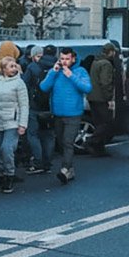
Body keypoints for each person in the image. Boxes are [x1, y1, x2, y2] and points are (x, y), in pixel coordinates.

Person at [40, 47, 92, 185]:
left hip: (73, 113)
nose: (64, 62)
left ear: (73, 59)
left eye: (67, 59)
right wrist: (53, 72)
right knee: (62, 143)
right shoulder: (55, 72)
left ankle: (65, 169)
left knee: (68, 142)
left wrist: (71, 76)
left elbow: (87, 88)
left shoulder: (80, 71)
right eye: (62, 59)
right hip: (58, 113)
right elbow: (43, 87)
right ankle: (70, 168)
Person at [0, 55, 28, 194]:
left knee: (6, 149)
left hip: (11, 121)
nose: (14, 69)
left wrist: (22, 124)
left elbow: (24, 104)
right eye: (11, 66)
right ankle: (0, 176)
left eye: (15, 66)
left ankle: (9, 175)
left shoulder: (19, 83)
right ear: (3, 68)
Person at [24, 45, 57, 175]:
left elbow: (24, 84)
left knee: (33, 135)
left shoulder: (33, 67)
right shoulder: (58, 66)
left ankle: (38, 162)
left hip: (34, 105)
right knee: (48, 135)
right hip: (51, 105)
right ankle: (47, 163)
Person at [87, 42, 118, 157]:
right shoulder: (106, 64)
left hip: (92, 96)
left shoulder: (95, 62)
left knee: (99, 123)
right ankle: (91, 141)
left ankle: (99, 149)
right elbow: (106, 82)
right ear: (110, 52)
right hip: (101, 98)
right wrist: (109, 98)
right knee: (106, 123)